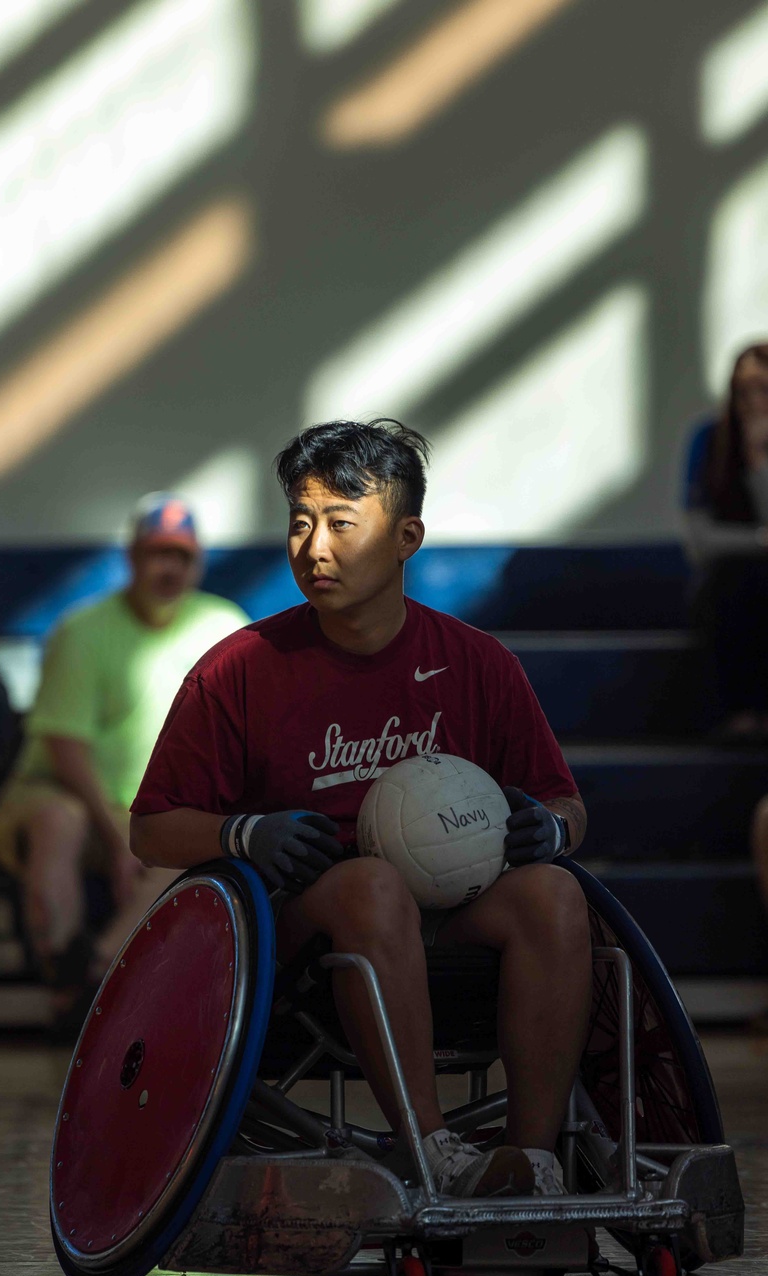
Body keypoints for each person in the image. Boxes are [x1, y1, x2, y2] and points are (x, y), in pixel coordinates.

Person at [131, 420, 590, 1199]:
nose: (314, 548)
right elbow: (151, 827)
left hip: (454, 918)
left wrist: (548, 828)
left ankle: (532, 1157)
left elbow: (566, 804)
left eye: (341, 524)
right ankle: (433, 1150)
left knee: (555, 891)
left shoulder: (478, 662)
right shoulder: (239, 669)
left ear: (407, 535)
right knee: (370, 885)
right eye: (300, 523)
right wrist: (243, 833)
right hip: (306, 944)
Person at [0, 494, 249, 995]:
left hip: (155, 811)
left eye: (181, 556)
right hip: (61, 797)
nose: (169, 568)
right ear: (132, 558)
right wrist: (119, 835)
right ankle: (59, 965)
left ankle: (91, 978)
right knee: (60, 819)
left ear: (198, 563)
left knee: (188, 841)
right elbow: (64, 749)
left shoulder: (226, 629)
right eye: (157, 554)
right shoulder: (83, 631)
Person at [685, 343, 768, 742]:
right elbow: (701, 542)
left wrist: (761, 466)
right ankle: (740, 714)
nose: (753, 403)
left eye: (764, 390)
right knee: (736, 577)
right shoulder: (710, 440)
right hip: (726, 584)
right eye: (744, 391)